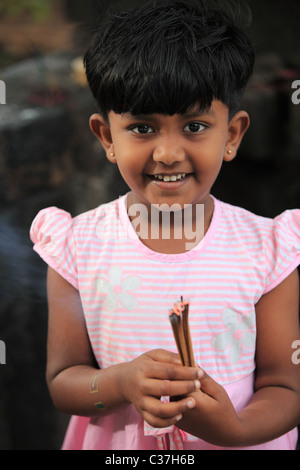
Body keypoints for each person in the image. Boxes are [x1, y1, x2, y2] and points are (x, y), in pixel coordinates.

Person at [30, 0, 300, 450]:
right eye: (141, 128)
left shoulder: (268, 248)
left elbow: (286, 386)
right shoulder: (75, 246)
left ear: (231, 135)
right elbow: (63, 380)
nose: (168, 153)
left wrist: (235, 430)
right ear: (105, 137)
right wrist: (120, 383)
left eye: (195, 126)